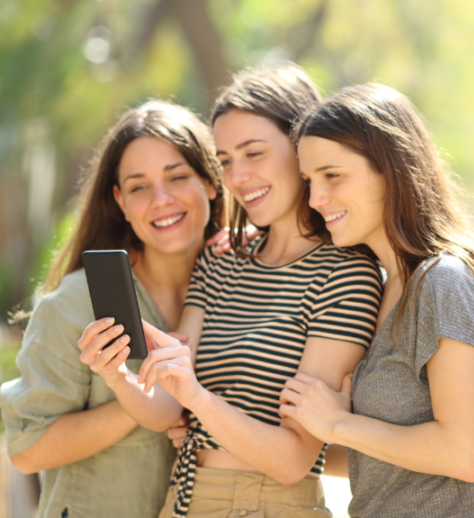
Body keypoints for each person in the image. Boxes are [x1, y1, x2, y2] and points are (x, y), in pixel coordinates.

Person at [77, 65, 384, 518]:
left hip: (266, 505)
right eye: (224, 161)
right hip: (183, 498)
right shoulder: (221, 259)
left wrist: (199, 399)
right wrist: (116, 375)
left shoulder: (345, 275)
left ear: (304, 149)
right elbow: (167, 406)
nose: (237, 177)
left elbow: (292, 460)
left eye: (254, 153)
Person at [280, 83, 474, 518]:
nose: (316, 199)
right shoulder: (386, 284)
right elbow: (381, 463)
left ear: (392, 168)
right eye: (309, 181)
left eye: (333, 176)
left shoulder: (444, 280)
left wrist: (338, 423)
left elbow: (464, 453)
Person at [0, 101, 224, 518]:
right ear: (120, 201)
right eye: (139, 187)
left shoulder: (240, 287)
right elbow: (27, 449)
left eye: (177, 177)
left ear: (211, 182)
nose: (161, 199)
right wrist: (147, 401)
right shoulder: (76, 303)